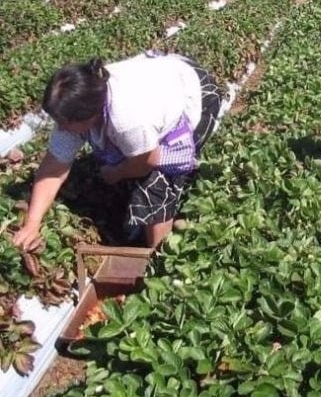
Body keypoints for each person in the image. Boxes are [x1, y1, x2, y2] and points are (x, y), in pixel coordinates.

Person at [12, 52, 222, 251]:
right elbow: (52, 169)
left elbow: (144, 163)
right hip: (162, 85)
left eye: (65, 123)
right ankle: (135, 220)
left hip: (194, 92)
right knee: (121, 160)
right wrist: (32, 224)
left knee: (156, 182)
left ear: (90, 117)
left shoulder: (128, 120)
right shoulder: (79, 104)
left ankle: (160, 259)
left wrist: (116, 173)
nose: (61, 128)